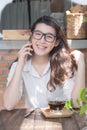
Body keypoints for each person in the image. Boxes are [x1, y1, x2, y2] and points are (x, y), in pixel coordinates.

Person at [3, 15, 85, 110]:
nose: (42, 40)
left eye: (49, 37)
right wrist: (20, 65)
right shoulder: (19, 65)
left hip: (61, 120)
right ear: (31, 36)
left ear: (56, 42)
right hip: (33, 121)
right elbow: (8, 105)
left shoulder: (65, 64)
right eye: (38, 34)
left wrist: (81, 65)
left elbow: (76, 104)